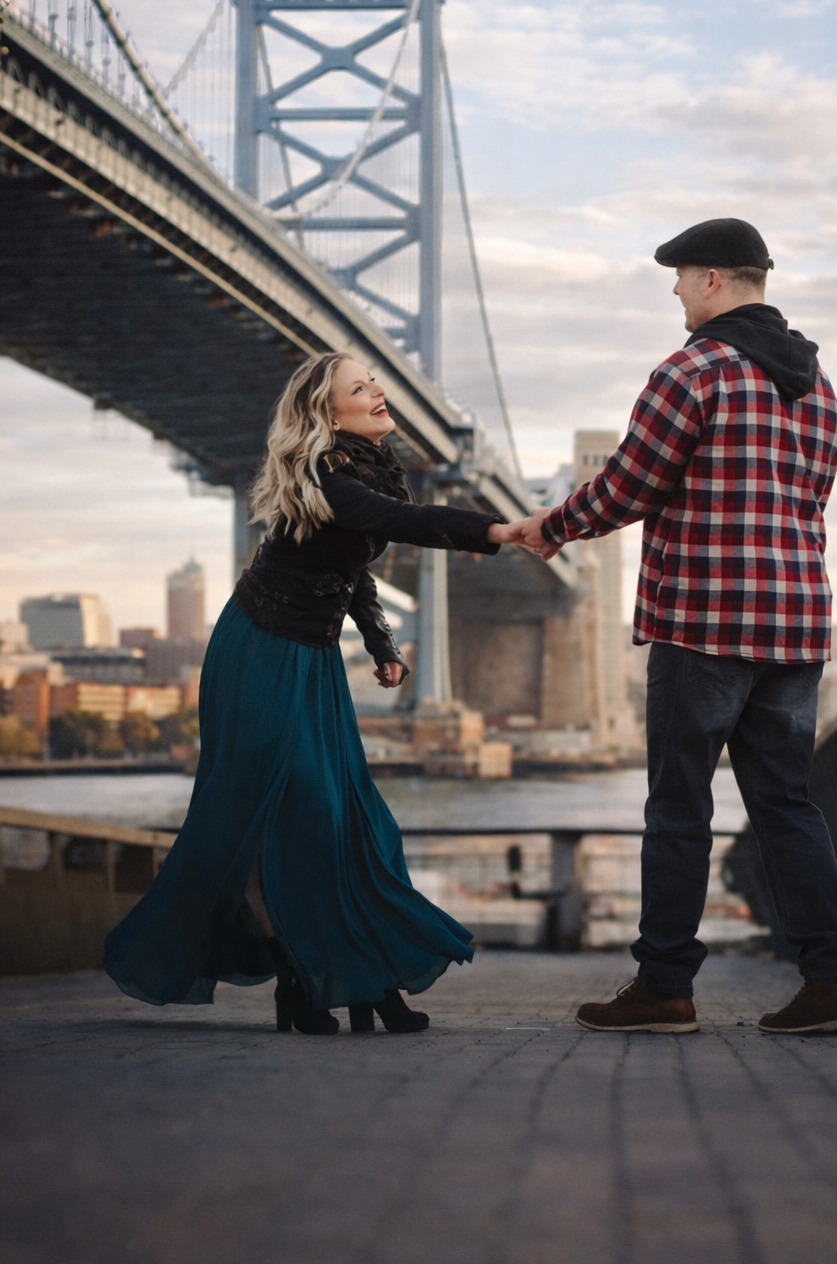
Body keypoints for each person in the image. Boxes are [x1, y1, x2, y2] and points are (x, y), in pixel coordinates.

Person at [105, 351, 525, 1036]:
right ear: (330, 413)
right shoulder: (328, 471)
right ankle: (302, 968)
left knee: (349, 819)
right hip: (258, 650)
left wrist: (381, 644)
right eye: (359, 388)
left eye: (374, 382)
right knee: (297, 813)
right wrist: (493, 530)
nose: (378, 392)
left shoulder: (370, 466)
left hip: (314, 658)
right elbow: (395, 524)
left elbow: (352, 564)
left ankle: (357, 979)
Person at [521, 218, 837, 1036]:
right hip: (797, 623)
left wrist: (554, 527)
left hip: (705, 622)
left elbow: (628, 486)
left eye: (679, 277)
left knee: (679, 807)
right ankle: (834, 982)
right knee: (786, 805)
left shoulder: (693, 369)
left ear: (713, 278)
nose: (676, 292)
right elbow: (810, 500)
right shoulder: (817, 384)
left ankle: (666, 988)